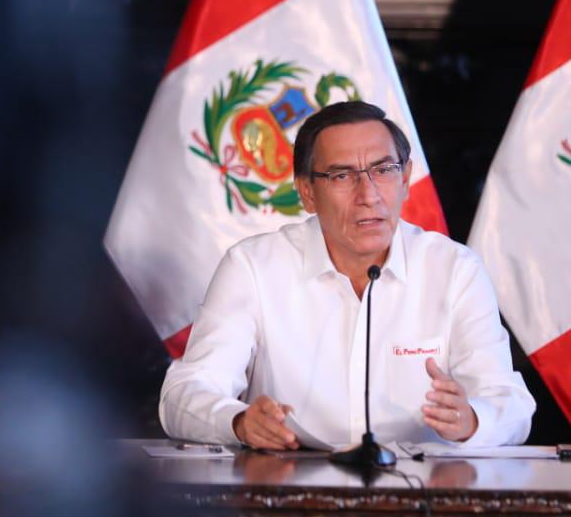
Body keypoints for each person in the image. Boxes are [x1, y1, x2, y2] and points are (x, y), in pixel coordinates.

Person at [159, 101, 535, 450]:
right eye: (342, 176)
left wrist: (472, 420)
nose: (368, 195)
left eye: (384, 170)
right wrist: (239, 422)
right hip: (292, 495)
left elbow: (511, 405)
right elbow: (184, 394)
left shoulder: (455, 270)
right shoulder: (253, 267)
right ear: (307, 192)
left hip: (424, 498)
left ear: (405, 179)